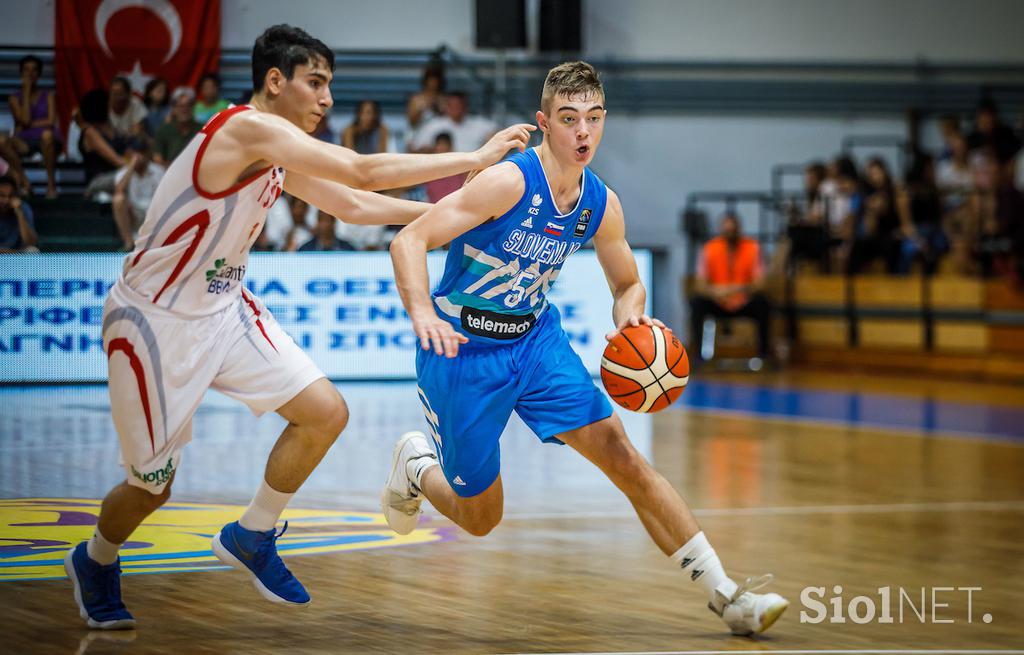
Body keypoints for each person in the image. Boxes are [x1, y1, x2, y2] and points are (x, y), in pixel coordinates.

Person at [64, 23, 533, 631]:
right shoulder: (244, 129)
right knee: (153, 488)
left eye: (330, 85)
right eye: (316, 83)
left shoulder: (276, 148)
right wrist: (473, 160)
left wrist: (459, 218)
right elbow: (361, 173)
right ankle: (96, 558)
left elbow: (356, 207)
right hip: (153, 323)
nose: (327, 99)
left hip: (224, 309)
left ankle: (253, 534)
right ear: (275, 81)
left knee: (325, 412)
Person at [382, 61, 787, 638]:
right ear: (544, 123)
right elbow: (410, 239)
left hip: (535, 342)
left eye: (593, 119)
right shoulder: (507, 183)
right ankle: (419, 468)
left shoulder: (600, 202)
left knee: (625, 458)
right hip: (463, 351)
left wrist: (630, 317)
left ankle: (727, 595)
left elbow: (627, 284)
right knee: (480, 518)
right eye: (569, 119)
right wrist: (421, 311)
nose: (583, 133)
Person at [689, 212, 773, 362]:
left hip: (744, 300)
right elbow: (699, 283)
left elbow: (761, 283)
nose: (730, 234)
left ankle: (764, 355)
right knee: (697, 302)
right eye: (726, 231)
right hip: (717, 301)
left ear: (739, 230)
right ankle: (698, 355)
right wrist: (714, 292)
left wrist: (738, 289)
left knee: (763, 303)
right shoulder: (710, 248)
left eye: (732, 231)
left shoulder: (752, 247)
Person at [0, 55, 62, 198]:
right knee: (1, 140)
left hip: (47, 139)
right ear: (21, 73)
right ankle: (25, 182)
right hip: (24, 141)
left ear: (39, 73)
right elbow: (25, 119)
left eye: (34, 70)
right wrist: (26, 92)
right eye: (26, 70)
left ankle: (51, 186)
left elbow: (51, 121)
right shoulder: (14, 98)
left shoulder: (48, 96)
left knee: (47, 136)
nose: (30, 73)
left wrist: (27, 125)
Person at [111, 138, 166, 250]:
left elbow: (166, 197)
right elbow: (119, 189)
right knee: (118, 200)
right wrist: (131, 166)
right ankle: (128, 242)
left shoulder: (159, 171)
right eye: (135, 153)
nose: (139, 157)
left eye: (141, 152)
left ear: (147, 153)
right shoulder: (124, 172)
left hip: (153, 214)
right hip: (134, 214)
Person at [153, 87, 201, 166]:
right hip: (168, 173)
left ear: (193, 107)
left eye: (188, 105)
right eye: (181, 106)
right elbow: (157, 158)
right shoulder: (164, 130)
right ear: (174, 108)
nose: (184, 109)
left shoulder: (203, 129)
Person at [0, 175, 37, 252]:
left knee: (32, 251)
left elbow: (31, 242)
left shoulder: (23, 208)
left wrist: (20, 214)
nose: (6, 200)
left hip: (17, 258)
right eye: (2, 196)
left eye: (10, 196)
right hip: (12, 253)